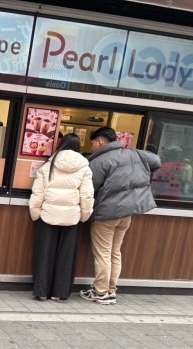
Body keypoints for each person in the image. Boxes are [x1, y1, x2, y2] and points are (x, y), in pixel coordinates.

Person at [79, 126, 161, 305]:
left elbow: (89, 189)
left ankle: (101, 292)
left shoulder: (100, 161)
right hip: (127, 214)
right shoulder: (134, 154)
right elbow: (157, 161)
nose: (92, 147)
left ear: (100, 141)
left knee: (103, 253)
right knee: (115, 253)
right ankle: (111, 291)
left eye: (92, 143)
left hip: (106, 214)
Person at [29, 133, 94, 301]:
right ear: (78, 146)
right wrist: (84, 215)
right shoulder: (84, 168)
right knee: (66, 256)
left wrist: (36, 213)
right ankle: (60, 292)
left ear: (61, 144)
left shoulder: (48, 165)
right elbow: (87, 195)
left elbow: (38, 193)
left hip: (48, 216)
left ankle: (41, 291)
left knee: (44, 254)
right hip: (72, 218)